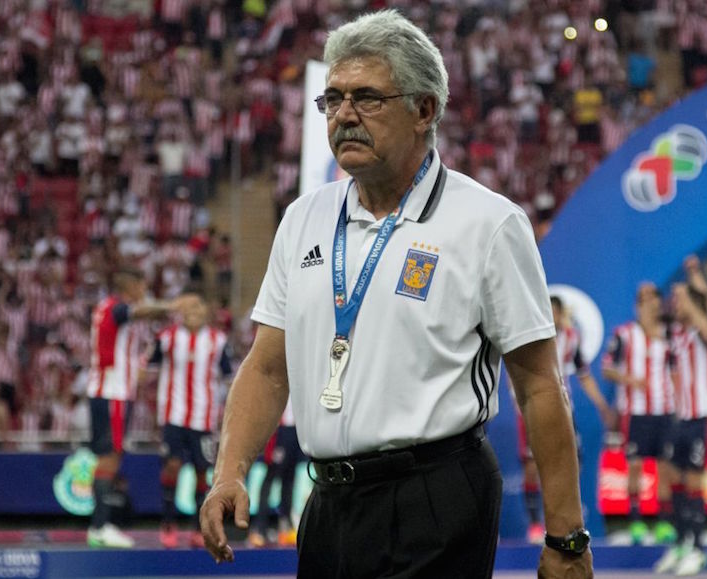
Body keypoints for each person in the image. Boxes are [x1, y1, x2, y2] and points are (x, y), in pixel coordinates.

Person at [200, 10, 592, 578]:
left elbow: (539, 385)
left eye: (367, 98)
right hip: (328, 503)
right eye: (333, 99)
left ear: (424, 110)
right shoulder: (303, 219)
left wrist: (567, 539)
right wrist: (229, 472)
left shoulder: (489, 224)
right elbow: (266, 367)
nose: (344, 115)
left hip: (436, 497)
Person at [87, 268, 184, 549]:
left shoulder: (106, 308)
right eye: (142, 286)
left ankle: (100, 525)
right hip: (112, 393)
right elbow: (140, 312)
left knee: (109, 455)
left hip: (107, 391)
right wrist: (173, 306)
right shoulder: (116, 308)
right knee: (110, 456)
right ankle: (99, 526)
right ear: (131, 287)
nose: (144, 292)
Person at [520, 296, 610, 543]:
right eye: (548, 311)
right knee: (532, 465)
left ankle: (565, 514)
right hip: (535, 408)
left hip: (564, 409)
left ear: (562, 315)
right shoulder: (532, 336)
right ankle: (535, 524)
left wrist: (602, 405)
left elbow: (583, 374)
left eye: (556, 312)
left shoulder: (571, 338)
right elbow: (517, 370)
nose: (552, 317)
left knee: (573, 461)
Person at [653, 281, 707, 576]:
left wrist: (689, 298)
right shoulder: (676, 335)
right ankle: (681, 543)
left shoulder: (704, 333)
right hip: (679, 417)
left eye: (680, 301)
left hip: (701, 416)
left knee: (694, 481)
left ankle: (699, 549)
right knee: (673, 479)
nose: (676, 305)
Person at [601, 282, 677, 546]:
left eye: (653, 299)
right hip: (635, 411)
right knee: (634, 465)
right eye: (644, 300)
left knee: (664, 466)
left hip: (664, 409)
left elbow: (676, 370)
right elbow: (606, 368)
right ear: (637, 306)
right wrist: (630, 380)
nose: (650, 304)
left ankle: (664, 522)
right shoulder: (624, 334)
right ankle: (635, 522)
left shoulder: (669, 335)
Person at [154, 295, 232, 549]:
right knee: (172, 467)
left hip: (203, 418)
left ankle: (199, 528)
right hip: (173, 415)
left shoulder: (218, 341)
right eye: (188, 307)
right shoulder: (167, 338)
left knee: (202, 471)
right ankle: (168, 523)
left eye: (198, 307)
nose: (193, 312)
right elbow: (149, 366)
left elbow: (229, 376)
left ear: (206, 311)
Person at [247, 401, 303, 548]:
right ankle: (259, 528)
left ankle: (285, 526)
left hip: (296, 430)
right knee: (271, 476)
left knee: (289, 479)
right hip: (279, 429)